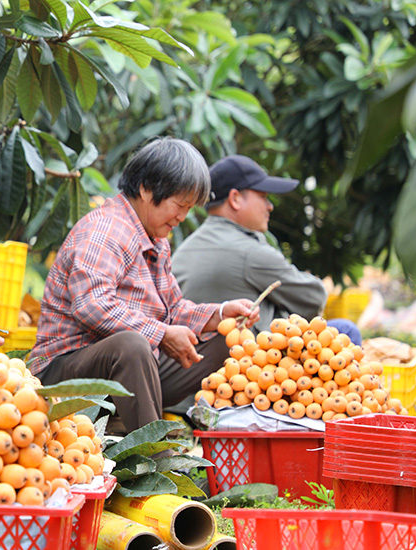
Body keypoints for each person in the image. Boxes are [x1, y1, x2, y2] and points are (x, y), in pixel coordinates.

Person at [29, 137, 259, 434]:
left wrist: (222, 314)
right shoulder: (106, 229)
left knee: (228, 339)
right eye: (179, 205)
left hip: (132, 372)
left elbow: (173, 309)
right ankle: (156, 459)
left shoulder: (156, 240)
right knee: (132, 345)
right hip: (65, 372)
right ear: (146, 189)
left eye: (189, 208)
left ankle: (227, 435)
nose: (182, 217)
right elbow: (91, 305)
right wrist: (161, 334)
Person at [171, 154, 361, 344]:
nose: (269, 206)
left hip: (189, 358)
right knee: (346, 330)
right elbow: (314, 297)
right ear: (235, 198)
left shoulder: (188, 246)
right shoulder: (248, 251)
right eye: (263, 196)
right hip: (241, 363)